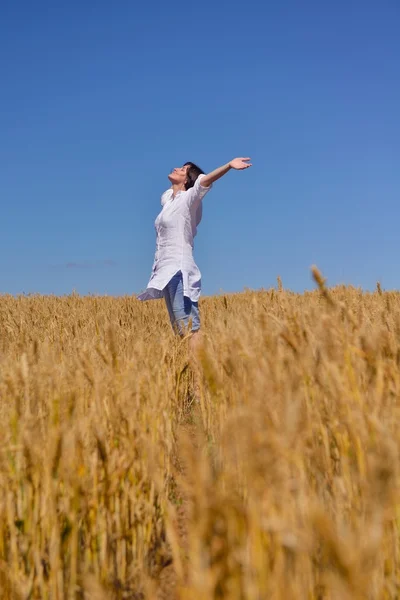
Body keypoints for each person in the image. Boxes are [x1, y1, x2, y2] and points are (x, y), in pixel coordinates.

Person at [138, 158, 252, 355]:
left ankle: (203, 373)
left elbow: (204, 181)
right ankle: (194, 376)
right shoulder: (169, 200)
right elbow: (169, 193)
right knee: (180, 329)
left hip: (179, 269)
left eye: (183, 170)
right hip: (164, 271)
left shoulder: (189, 199)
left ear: (187, 180)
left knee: (189, 326)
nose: (176, 168)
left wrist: (228, 165)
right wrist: (178, 184)